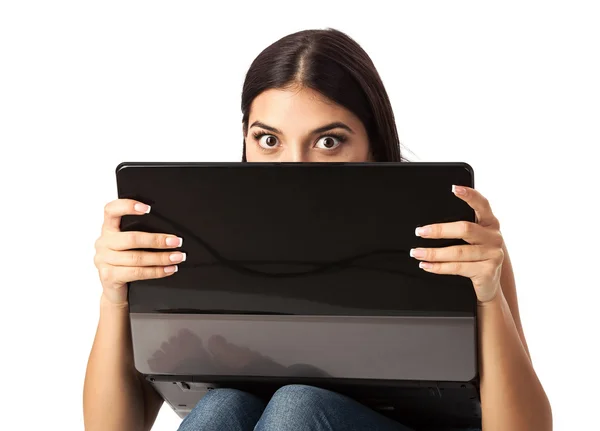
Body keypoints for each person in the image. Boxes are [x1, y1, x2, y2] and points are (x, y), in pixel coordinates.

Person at [83, 28, 552, 431]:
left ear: (373, 143)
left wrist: (488, 296)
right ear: (245, 138)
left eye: (329, 141)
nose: (294, 168)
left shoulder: (451, 236)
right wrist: (114, 296)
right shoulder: (188, 235)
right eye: (269, 140)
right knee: (221, 408)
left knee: (298, 407)